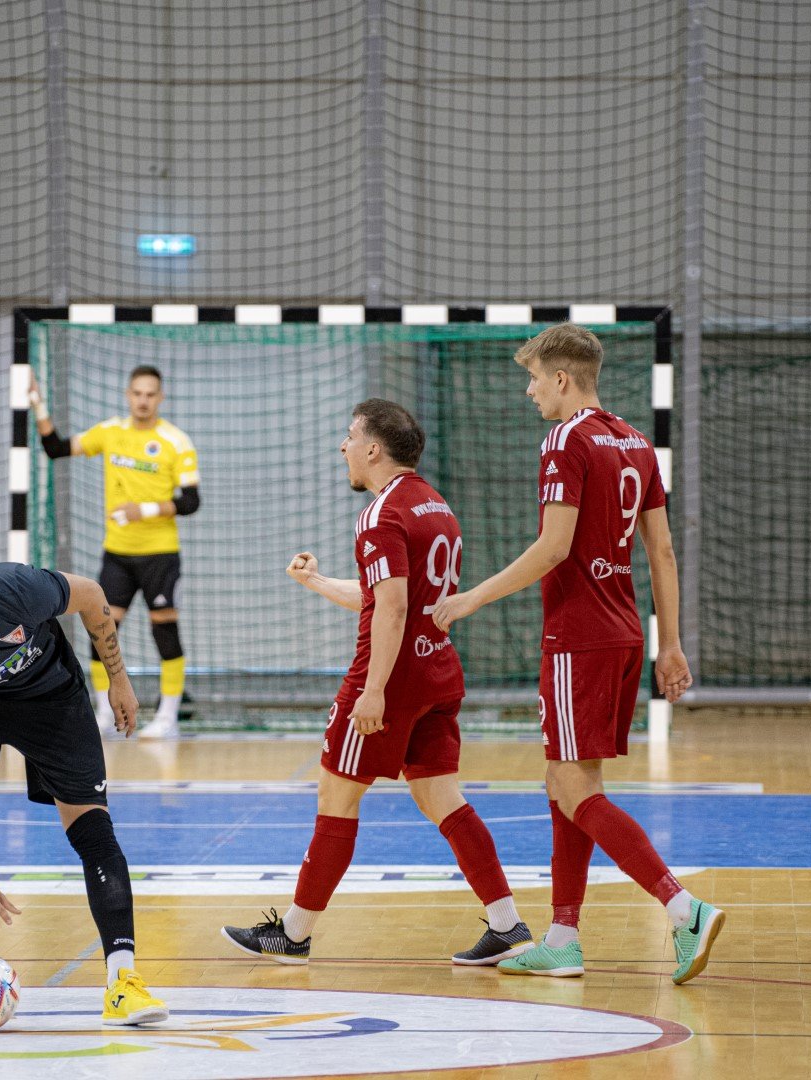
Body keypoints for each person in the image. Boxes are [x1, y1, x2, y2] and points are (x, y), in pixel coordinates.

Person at [432, 322, 723, 985]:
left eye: (535, 378)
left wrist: (472, 597)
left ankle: (683, 909)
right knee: (568, 785)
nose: (531, 391)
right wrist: (669, 644)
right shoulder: (637, 442)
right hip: (622, 633)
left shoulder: (566, 440)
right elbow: (663, 552)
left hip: (579, 637)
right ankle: (563, 937)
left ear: (563, 379)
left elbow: (554, 546)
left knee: (570, 787)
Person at [221, 399, 533, 966]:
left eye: (348, 437)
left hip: (391, 679)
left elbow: (390, 610)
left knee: (336, 796)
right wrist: (315, 581)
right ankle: (508, 924)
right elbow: (384, 598)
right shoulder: (435, 505)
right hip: (437, 670)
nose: (342, 447)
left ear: (372, 448)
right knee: (442, 797)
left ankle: (294, 933)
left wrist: (373, 691)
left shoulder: (380, 514)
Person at [0, 555, 168, 1027]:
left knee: (93, 832)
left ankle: (123, 985)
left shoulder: (15, 589)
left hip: (50, 701)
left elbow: (94, 598)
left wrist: (116, 680)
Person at [31, 365, 200, 739]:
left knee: (165, 630)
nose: (143, 400)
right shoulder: (110, 432)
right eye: (137, 393)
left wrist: (146, 509)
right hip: (117, 555)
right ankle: (104, 713)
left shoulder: (176, 441)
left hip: (159, 555)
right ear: (128, 395)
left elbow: (191, 501)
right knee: (101, 628)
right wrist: (37, 404)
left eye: (150, 394)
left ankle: (168, 716)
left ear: (160, 398)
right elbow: (55, 448)